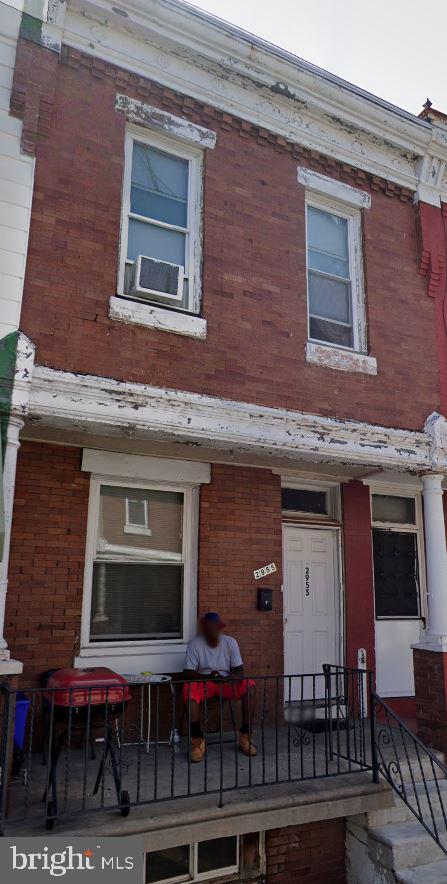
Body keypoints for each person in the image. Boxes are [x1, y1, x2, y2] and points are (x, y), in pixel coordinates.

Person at [183, 612, 257, 763]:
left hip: (226, 682)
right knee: (188, 689)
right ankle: (198, 742)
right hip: (205, 682)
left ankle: (245, 737)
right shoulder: (195, 644)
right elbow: (187, 672)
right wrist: (207, 677)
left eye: (215, 628)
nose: (213, 631)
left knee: (249, 685)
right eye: (209, 628)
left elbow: (240, 671)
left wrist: (232, 678)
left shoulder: (230, 642)